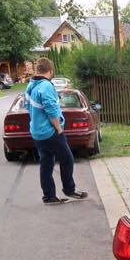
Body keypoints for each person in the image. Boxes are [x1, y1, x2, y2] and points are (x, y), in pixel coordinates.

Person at [26, 58, 88, 204]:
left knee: (46, 163)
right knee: (67, 158)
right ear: (50, 71)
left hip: (37, 132)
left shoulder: (31, 85)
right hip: (50, 131)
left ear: (37, 70)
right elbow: (51, 109)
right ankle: (69, 189)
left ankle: (49, 197)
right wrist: (58, 128)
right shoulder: (46, 86)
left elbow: (28, 106)